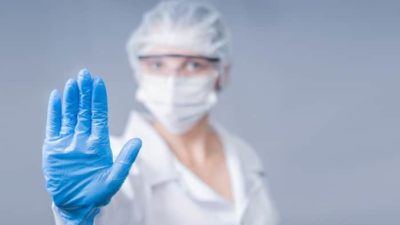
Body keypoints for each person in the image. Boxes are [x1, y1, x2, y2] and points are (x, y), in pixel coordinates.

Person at [42, 1, 279, 225]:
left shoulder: (243, 158)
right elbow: (109, 211)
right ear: (139, 70)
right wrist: (79, 214)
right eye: (157, 65)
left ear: (221, 73)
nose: (172, 81)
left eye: (193, 64)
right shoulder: (116, 163)